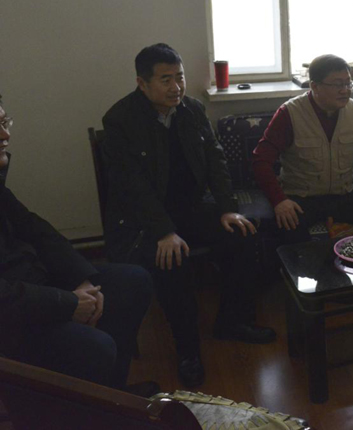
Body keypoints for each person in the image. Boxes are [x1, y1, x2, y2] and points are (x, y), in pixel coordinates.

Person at [102, 43, 275, 389]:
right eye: (165, 80)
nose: (176, 87)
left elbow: (216, 161)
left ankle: (231, 322)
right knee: (172, 259)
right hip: (144, 220)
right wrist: (164, 231)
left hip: (191, 207)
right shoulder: (120, 120)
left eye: (179, 77)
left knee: (243, 234)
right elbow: (130, 187)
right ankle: (187, 349)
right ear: (142, 83)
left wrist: (227, 208)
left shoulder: (193, 110)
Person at [0, 94, 156, 395]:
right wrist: (68, 303)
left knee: (133, 281)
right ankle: (86, 408)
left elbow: (37, 230)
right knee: (97, 347)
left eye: (5, 122)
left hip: (33, 286)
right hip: (11, 318)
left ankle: (112, 397)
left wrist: (81, 280)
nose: (5, 135)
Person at [252, 54, 353, 243]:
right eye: (337, 84)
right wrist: (279, 200)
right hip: (301, 198)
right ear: (315, 86)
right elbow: (260, 161)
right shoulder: (289, 113)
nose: (345, 90)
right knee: (284, 225)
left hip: (343, 195)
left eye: (348, 83)